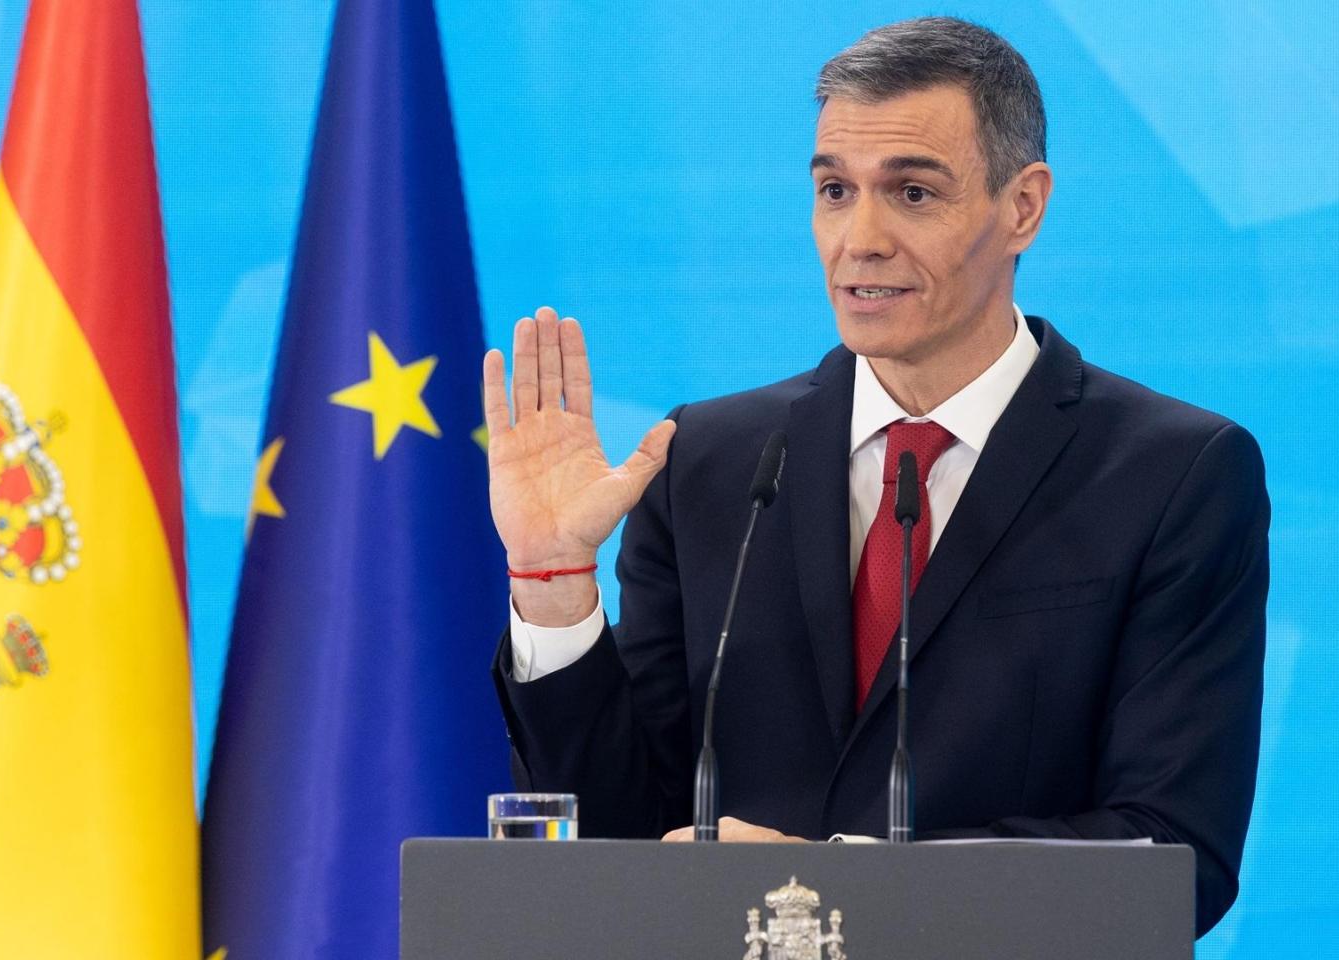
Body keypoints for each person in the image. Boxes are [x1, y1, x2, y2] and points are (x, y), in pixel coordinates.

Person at [481, 17, 1266, 938]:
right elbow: (622, 833)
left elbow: (1172, 859)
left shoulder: (1172, 474)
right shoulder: (707, 461)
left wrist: (836, 884)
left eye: (913, 192)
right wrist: (553, 583)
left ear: (1023, 206)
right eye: (834, 190)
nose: (861, 238)